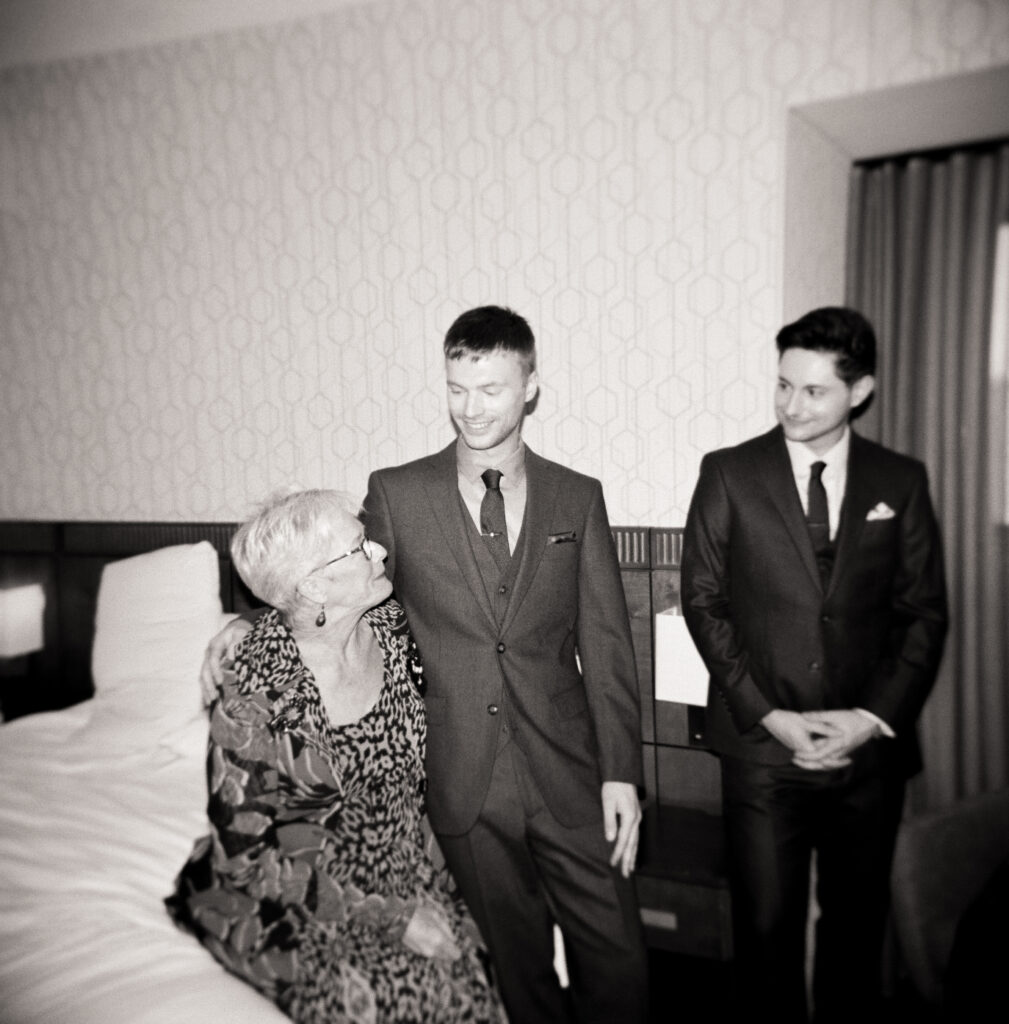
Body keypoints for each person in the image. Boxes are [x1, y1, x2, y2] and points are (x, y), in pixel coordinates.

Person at [202, 306, 648, 1024]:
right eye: (455, 389)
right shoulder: (398, 492)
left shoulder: (577, 496)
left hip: (569, 768)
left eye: (491, 390)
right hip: (462, 772)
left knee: (619, 959)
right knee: (515, 964)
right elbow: (333, 580)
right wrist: (247, 623)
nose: (470, 410)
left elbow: (606, 646)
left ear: (529, 387)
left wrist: (623, 771)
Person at [681, 306, 948, 1024]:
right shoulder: (729, 473)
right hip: (762, 752)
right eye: (782, 385)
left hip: (866, 759)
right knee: (764, 936)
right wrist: (773, 717)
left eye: (813, 391)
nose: (790, 405)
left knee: (855, 934)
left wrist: (867, 720)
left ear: (858, 392)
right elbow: (702, 605)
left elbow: (924, 614)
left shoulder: (901, 479)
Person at [169, 489, 503, 1024]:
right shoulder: (254, 697)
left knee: (477, 980)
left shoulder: (391, 626)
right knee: (401, 1001)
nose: (379, 552)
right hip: (306, 891)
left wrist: (247, 620)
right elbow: (249, 862)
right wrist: (394, 920)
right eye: (359, 547)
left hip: (404, 861)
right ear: (315, 585)